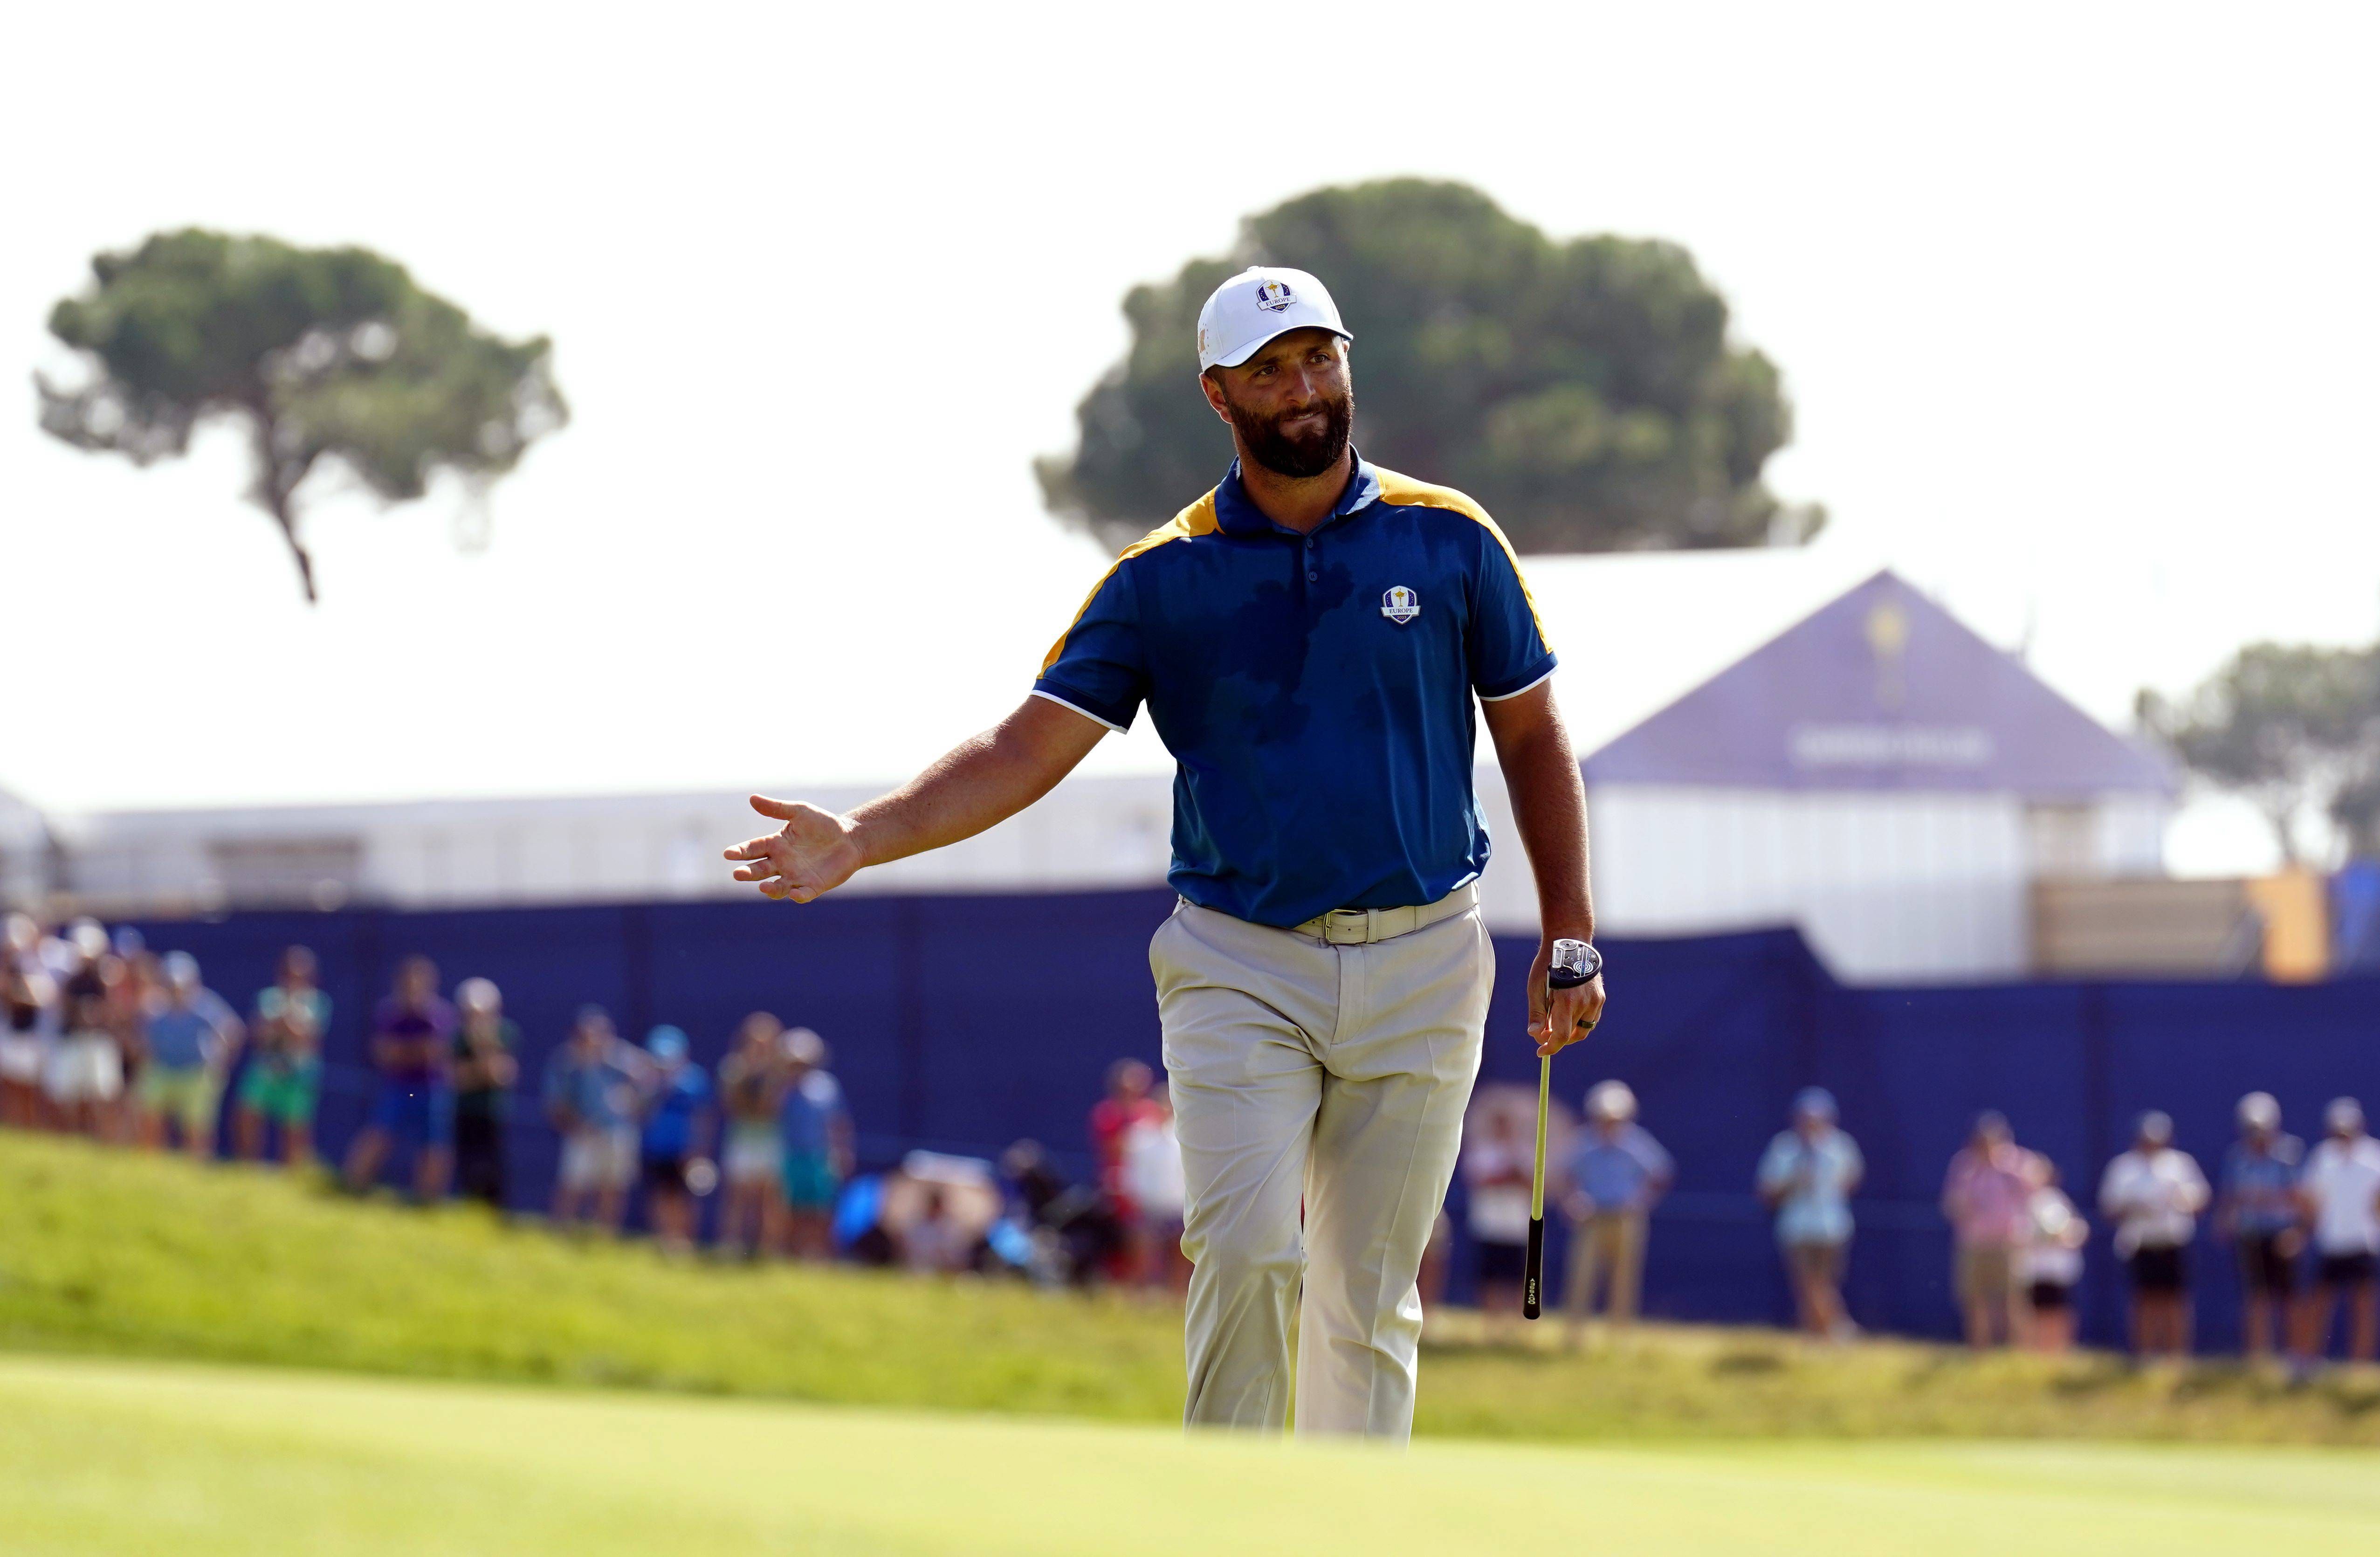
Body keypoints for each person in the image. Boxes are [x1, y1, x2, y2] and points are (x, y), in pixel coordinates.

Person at [725, 264, 1603, 1443]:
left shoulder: (1447, 539)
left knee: (1369, 1295)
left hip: (1425, 957)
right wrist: (865, 838)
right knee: (1245, 1253)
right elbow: (1027, 743)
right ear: (1218, 394)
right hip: (1241, 963)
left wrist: (1569, 932)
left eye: (1319, 359)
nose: (1303, 389)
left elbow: (1533, 731)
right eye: (1271, 370)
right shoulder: (1161, 577)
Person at [1560, 1080, 1673, 1337]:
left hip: (1626, 1218)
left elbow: (1661, 1173)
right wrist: (1573, 1200)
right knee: (1581, 1277)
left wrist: (1640, 1200)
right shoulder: (1583, 1141)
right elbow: (1564, 1174)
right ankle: (1574, 1334)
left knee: (1624, 1280)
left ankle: (1619, 1335)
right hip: (1592, 1218)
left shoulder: (1636, 1142)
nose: (1609, 1123)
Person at [342, 958, 456, 1200]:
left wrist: (404, 1052)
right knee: (378, 1134)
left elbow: (435, 1053)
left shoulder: (437, 1014)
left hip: (431, 1089)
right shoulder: (390, 1013)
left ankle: (427, 1200)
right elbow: (383, 1053)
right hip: (400, 1087)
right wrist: (415, 1052)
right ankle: (352, 1186)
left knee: (434, 1147)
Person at [1755, 1087, 1864, 1340]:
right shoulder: (1785, 1148)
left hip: (1832, 1227)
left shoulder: (1841, 1146)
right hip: (1798, 1227)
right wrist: (1794, 1180)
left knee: (1824, 1283)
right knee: (1807, 1283)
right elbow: (1767, 1191)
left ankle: (1821, 1335)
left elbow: (1852, 1180)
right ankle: (1837, 1330)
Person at [2098, 1110, 2209, 1359]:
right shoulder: (2123, 1167)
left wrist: (2180, 1200)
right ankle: (2146, 1356)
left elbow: (2200, 1199)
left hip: (2173, 1240)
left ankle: (2177, 1356)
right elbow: (2109, 1207)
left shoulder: (2181, 1164)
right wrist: (2134, 1207)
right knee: (2144, 1300)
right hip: (2141, 1242)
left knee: (2175, 1300)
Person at [2215, 1091, 2304, 1359]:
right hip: (2251, 1235)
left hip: (2282, 1235)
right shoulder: (2237, 1158)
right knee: (2256, 1298)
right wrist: (2225, 1221)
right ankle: (2258, 1356)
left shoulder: (2289, 1155)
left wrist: (2298, 1232)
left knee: (2289, 1298)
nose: (2258, 1136)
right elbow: (2230, 1197)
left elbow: (2301, 1197)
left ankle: (2295, 1357)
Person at [1941, 1112, 2038, 1348]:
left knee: (2014, 1298)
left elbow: (2035, 1189)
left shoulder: (2018, 1163)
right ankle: (1979, 1348)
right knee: (1975, 1298)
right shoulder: (1964, 1165)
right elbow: (1951, 1205)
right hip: (1974, 1242)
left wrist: (2003, 1166)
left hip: (2009, 1242)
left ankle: (2018, 1350)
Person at [543, 1005, 642, 1233]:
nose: (594, 1040)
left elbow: (645, 1083)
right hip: (582, 1133)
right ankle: (561, 1230)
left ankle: (604, 1233)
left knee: (613, 1185)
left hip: (617, 1132)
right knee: (573, 1184)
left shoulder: (622, 1057)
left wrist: (630, 1099)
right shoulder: (565, 1062)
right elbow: (555, 1102)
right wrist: (576, 1125)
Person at [2296, 1097, 2380, 1364]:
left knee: (2364, 1307)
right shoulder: (2322, 1157)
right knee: (2318, 1304)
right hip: (2330, 1242)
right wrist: (2304, 1231)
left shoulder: (2374, 1157)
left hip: (2363, 1242)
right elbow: (2310, 1200)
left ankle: (2360, 1364)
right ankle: (2309, 1362)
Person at [135, 952, 241, 1157]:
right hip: (162, 1069)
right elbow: (144, 1040)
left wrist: (223, 1063)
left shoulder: (206, 1004)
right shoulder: (153, 1006)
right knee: (149, 1114)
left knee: (196, 1127)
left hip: (197, 1072)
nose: (176, 990)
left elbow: (232, 1031)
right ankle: (151, 1163)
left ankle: (196, 1169)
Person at [234, 947, 330, 1166]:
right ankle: (247, 1166)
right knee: (248, 1112)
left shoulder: (319, 1002)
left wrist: (287, 1023)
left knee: (295, 1125)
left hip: (299, 1072)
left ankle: (292, 1172)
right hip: (267, 1068)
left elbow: (310, 1037)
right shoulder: (268, 997)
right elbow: (259, 1033)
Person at [714, 1011, 786, 1258]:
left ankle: (768, 1251)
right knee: (737, 1196)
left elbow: (772, 1108)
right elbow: (734, 1106)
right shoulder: (734, 1068)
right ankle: (730, 1247)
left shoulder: (780, 1072)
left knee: (770, 1199)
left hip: (770, 1140)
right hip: (743, 1138)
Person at [638, 1024, 713, 1254]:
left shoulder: (694, 1079)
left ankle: (684, 1241)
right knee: (659, 1195)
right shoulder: (648, 1081)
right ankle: (662, 1240)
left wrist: (699, 1148)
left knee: (684, 1197)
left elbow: (703, 1116)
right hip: (656, 1148)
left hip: (685, 1149)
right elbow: (639, 1111)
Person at [778, 1027, 852, 1260]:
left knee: (821, 1209)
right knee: (790, 1208)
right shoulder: (780, 1087)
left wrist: (842, 1152)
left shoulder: (826, 1086)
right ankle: (791, 1253)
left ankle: (818, 1254)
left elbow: (838, 1123)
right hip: (789, 1156)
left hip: (820, 1155)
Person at [1089, 1058, 1164, 1282]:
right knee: (1128, 1237)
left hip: (1154, 1186)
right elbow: (1115, 1150)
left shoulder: (1150, 1112)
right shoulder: (1108, 1114)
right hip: (1120, 1187)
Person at [448, 978, 519, 1209]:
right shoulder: (457, 1038)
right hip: (465, 1112)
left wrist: (482, 1048)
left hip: (492, 1112)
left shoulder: (504, 1033)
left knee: (493, 1166)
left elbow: (500, 1075)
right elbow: (458, 1079)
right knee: (468, 1164)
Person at [1460, 1109, 1534, 1328]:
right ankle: (1492, 1324)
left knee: (1516, 1278)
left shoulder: (1525, 1152)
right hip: (1489, 1224)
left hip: (1517, 1226)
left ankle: (1515, 1324)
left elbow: (1535, 1184)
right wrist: (1509, 1175)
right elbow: (1480, 1180)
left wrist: (1513, 1175)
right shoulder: (1482, 1152)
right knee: (1490, 1278)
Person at [1122, 1083, 1190, 1291]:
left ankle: (1177, 1299)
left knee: (1181, 1257)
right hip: (1148, 1207)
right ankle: (1140, 1298)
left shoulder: (1183, 1137)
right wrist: (1137, 1200)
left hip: (1177, 1208)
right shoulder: (1139, 1135)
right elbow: (1131, 1172)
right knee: (1143, 1255)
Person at [2021, 1169, 2089, 1353]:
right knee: (2036, 1312)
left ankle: (2059, 1351)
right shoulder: (2027, 1201)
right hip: (2036, 1270)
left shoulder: (2058, 1200)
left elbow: (2075, 1230)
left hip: (2058, 1270)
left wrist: (2066, 1236)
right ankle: (2037, 1353)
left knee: (2059, 1311)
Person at [1, 930, 58, 1130]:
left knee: (31, 1091)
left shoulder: (36, 974)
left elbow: (40, 1003)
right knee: (9, 1089)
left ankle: (32, 1127)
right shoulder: (9, 972)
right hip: (11, 1036)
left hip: (32, 1039)